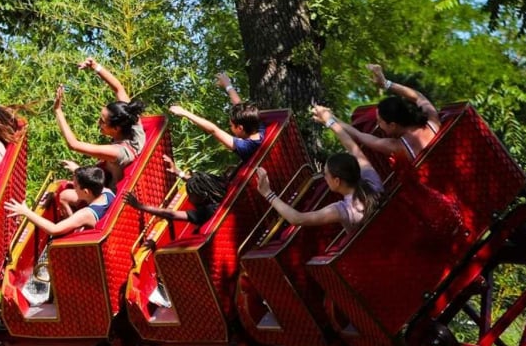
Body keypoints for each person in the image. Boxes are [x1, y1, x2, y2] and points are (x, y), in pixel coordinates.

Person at [253, 105, 383, 232]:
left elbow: (297, 219)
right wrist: (328, 120)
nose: (323, 176)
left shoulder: (342, 210)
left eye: (325, 174)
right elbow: (354, 149)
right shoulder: (373, 183)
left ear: (337, 181)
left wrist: (267, 193)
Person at [54, 57, 146, 214]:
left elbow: (74, 144)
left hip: (109, 196)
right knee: (57, 189)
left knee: (64, 195)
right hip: (102, 179)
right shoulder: (131, 120)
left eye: (102, 121)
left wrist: (58, 110)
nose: (98, 123)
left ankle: (75, 229)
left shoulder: (119, 152)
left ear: (116, 128)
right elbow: (119, 89)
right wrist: (95, 66)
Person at [339, 63, 442, 162]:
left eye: (379, 122)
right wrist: (385, 83)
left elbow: (358, 135)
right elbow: (418, 97)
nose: (378, 126)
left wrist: (330, 119)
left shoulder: (398, 147)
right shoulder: (432, 122)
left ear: (392, 125)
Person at [6, 164, 115, 240]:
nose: (73, 185)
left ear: (86, 192)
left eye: (76, 185)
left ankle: (70, 227)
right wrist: (78, 171)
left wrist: (25, 212)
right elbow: (95, 180)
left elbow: (54, 229)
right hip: (105, 226)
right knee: (66, 195)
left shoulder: (85, 214)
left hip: (91, 239)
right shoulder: (107, 192)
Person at [124, 164, 228, 229]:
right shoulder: (220, 190)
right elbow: (201, 184)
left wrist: (139, 206)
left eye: (191, 195)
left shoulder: (207, 212)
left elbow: (171, 214)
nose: (189, 198)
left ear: (202, 196)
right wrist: (179, 173)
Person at [168, 99, 263, 163]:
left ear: (240, 128)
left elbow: (214, 130)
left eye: (231, 125)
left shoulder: (246, 147)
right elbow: (245, 112)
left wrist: (184, 113)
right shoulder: (261, 129)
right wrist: (228, 85)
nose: (230, 128)